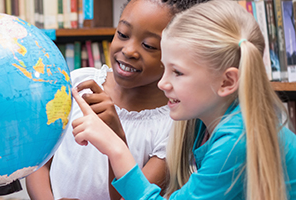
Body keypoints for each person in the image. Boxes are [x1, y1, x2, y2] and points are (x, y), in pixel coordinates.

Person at [71, 1, 296, 199]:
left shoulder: (238, 139)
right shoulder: (206, 119)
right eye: (165, 69)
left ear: (227, 82)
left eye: (177, 72)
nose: (162, 84)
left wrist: (114, 146)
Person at [26, 0, 206, 199]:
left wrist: (115, 136)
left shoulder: (175, 126)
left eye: (149, 45)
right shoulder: (77, 82)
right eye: (122, 34)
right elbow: (38, 162)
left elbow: (133, 196)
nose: (129, 50)